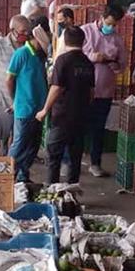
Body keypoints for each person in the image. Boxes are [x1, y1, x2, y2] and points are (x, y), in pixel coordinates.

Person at [36, 26, 94, 185]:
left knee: (54, 157)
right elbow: (91, 92)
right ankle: (71, 193)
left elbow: (56, 87)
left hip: (62, 116)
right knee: (75, 158)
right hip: (80, 117)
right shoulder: (88, 62)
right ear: (84, 41)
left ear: (65, 40)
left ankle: (52, 192)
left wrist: (44, 109)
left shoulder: (63, 60)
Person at [80, 6, 127, 177]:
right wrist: (92, 57)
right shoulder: (85, 31)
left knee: (98, 128)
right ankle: (71, 162)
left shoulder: (117, 40)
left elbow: (123, 64)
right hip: (84, 88)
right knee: (78, 127)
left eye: (114, 25)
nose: (111, 27)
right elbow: (73, 53)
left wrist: (116, 65)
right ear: (102, 17)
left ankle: (95, 163)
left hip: (105, 90)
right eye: (109, 23)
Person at [6, 18, 51, 182]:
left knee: (33, 146)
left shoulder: (40, 56)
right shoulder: (21, 54)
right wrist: (15, 101)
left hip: (39, 109)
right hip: (24, 108)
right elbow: (9, 79)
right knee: (19, 145)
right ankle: (6, 176)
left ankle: (23, 177)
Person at [0, 16, 30, 156]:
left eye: (28, 31)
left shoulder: (28, 47)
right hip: (2, 99)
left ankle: (9, 167)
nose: (26, 34)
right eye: (23, 31)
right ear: (13, 30)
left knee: (15, 137)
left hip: (21, 101)